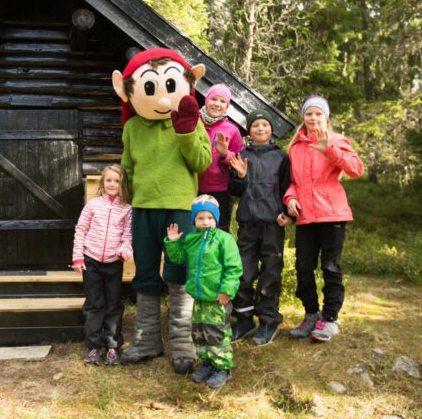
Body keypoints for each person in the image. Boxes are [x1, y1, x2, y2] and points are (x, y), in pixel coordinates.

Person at [111, 48, 212, 374]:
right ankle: (147, 339)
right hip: (144, 208)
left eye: (170, 85)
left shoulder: (191, 122)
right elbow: (128, 167)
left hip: (180, 207)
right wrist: (124, 201)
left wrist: (186, 133)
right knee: (145, 272)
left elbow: (202, 162)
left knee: (179, 271)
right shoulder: (132, 128)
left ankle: (182, 342)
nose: (163, 96)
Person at [283, 96, 364, 342]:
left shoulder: (336, 141)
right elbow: (293, 182)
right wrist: (290, 198)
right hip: (305, 216)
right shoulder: (295, 147)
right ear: (303, 117)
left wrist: (329, 148)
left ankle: (329, 318)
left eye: (318, 113)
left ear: (326, 117)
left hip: (332, 214)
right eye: (309, 114)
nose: (314, 118)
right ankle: (311, 314)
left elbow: (356, 169)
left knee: (330, 266)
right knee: (303, 267)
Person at [228, 109, 293, 346]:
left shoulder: (281, 157)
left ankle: (268, 321)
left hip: (272, 224)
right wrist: (240, 176)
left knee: (270, 273)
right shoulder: (241, 155)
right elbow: (234, 190)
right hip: (247, 223)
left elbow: (288, 188)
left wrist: (288, 214)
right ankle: (244, 319)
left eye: (265, 125)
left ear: (271, 129)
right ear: (249, 130)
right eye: (255, 125)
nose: (260, 129)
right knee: (242, 273)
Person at [165, 195, 243, 389]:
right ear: (194, 220)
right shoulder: (192, 240)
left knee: (216, 333)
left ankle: (222, 368)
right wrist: (173, 242)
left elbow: (234, 268)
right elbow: (178, 258)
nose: (205, 222)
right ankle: (208, 363)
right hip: (199, 298)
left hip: (217, 299)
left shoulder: (224, 240)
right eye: (200, 218)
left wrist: (226, 291)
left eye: (209, 217)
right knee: (199, 333)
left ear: (216, 218)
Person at [72, 164, 133, 365]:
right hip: (91, 261)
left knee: (114, 304)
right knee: (94, 304)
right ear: (102, 183)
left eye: (116, 181)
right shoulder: (92, 205)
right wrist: (78, 257)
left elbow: (128, 236)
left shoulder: (127, 209)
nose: (112, 184)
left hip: (113, 263)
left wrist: (124, 250)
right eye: (108, 180)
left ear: (122, 184)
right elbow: (81, 230)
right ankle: (93, 346)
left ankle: (113, 346)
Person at [198, 84, 244, 233]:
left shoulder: (232, 129)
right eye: (214, 99)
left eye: (222, 101)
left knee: (219, 232)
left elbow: (239, 162)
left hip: (221, 191)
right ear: (206, 100)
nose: (217, 104)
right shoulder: (194, 123)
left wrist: (225, 154)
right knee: (194, 231)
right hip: (192, 188)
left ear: (227, 106)